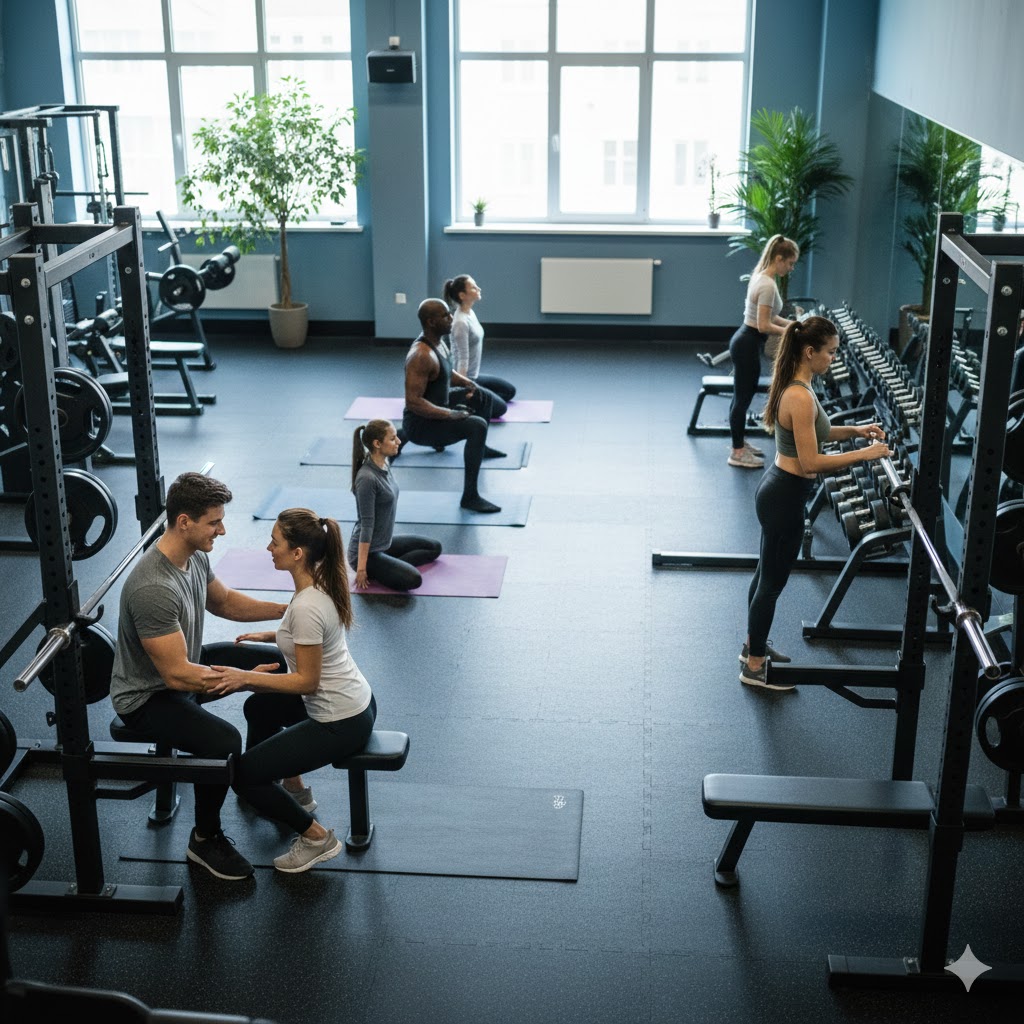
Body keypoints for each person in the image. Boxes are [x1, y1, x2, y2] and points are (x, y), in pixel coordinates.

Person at [109, 472, 289, 881]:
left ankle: (257, 779)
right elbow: (176, 676)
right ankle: (205, 840)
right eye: (214, 522)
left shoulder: (194, 555)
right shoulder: (153, 586)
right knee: (223, 740)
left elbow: (223, 601)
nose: (222, 530)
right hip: (148, 695)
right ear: (184, 521)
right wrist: (245, 679)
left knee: (277, 660)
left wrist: (287, 611)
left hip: (182, 666)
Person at [205, 508, 377, 873]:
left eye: (275, 541)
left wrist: (243, 677)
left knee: (245, 775)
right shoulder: (319, 584)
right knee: (260, 709)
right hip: (359, 701)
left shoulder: (308, 605)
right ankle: (293, 789)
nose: (268, 547)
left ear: (297, 553)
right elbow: (314, 637)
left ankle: (316, 837)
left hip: (339, 720)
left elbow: (306, 683)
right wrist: (272, 635)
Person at [740, 316, 891, 691]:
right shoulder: (799, 396)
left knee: (765, 575)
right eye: (831, 352)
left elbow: (817, 434)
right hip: (785, 495)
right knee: (771, 584)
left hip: (781, 490)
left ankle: (751, 648)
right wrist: (866, 454)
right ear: (810, 352)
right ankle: (754, 666)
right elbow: (811, 462)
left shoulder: (799, 387)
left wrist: (854, 431)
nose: (834, 359)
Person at [399, 297, 504, 514]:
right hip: (423, 426)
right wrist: (450, 414)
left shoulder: (438, 341)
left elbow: (445, 372)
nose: (451, 318)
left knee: (480, 395)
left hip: (436, 408)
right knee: (477, 426)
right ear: (430, 322)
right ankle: (470, 497)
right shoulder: (420, 356)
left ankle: (480, 449)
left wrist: (466, 382)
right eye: (445, 315)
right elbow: (414, 402)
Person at [727, 235, 801, 470]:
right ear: (779, 259)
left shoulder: (762, 276)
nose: (790, 268)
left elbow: (771, 317)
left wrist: (792, 325)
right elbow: (763, 326)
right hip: (747, 342)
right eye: (789, 263)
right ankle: (737, 452)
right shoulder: (767, 285)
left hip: (745, 341)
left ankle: (738, 443)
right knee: (742, 399)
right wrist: (790, 333)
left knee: (740, 397)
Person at [349, 419, 442, 591]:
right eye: (393, 439)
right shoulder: (367, 478)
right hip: (367, 553)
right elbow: (366, 525)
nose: (399, 441)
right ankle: (382, 568)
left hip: (384, 543)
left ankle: (389, 566)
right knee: (413, 579)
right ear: (377, 444)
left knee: (434, 548)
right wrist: (361, 568)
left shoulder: (385, 463)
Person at [442, 274, 516, 417]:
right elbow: (462, 357)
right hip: (465, 378)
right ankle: (456, 401)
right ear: (462, 295)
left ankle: (478, 397)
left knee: (509, 391)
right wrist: (463, 389)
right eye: (473, 288)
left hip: (473, 375)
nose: (478, 289)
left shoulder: (470, 313)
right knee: (501, 409)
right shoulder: (460, 323)